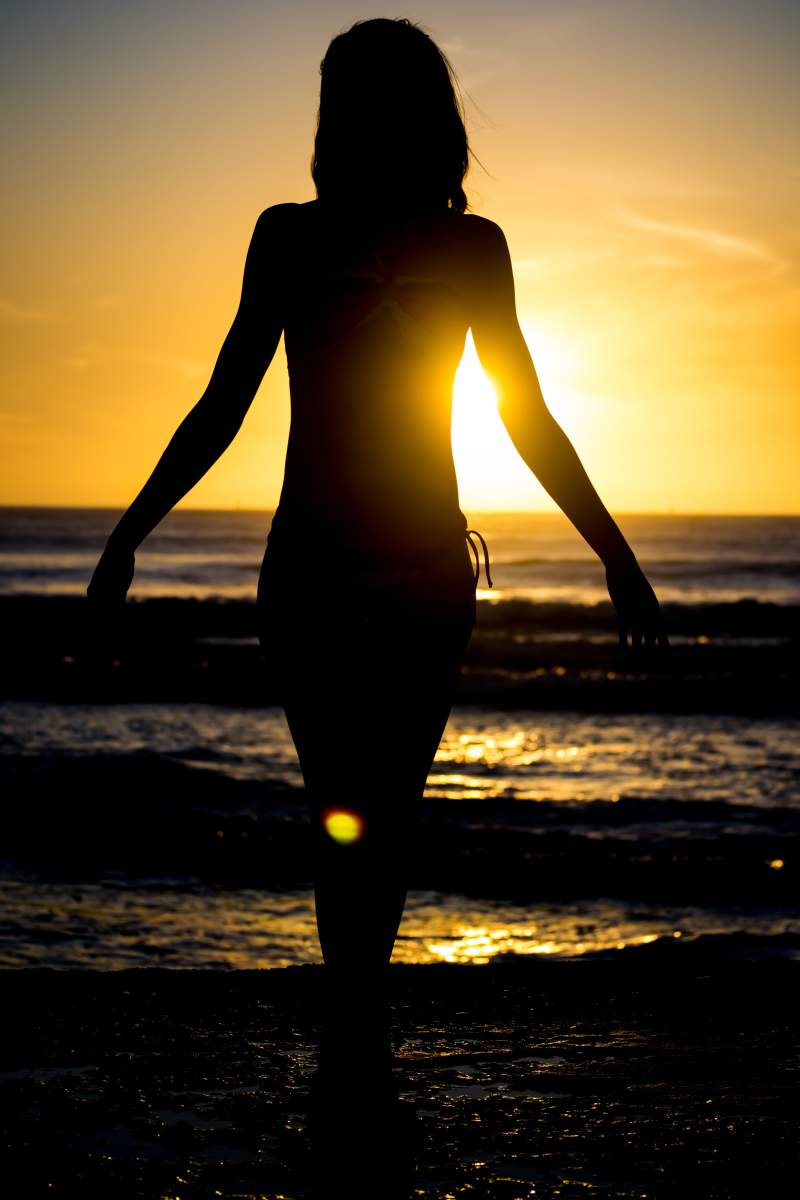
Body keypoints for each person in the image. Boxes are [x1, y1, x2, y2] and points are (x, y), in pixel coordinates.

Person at [87, 15, 667, 1129]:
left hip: (382, 571)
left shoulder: (458, 248)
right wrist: (130, 528)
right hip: (335, 570)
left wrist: (613, 550)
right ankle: (358, 1030)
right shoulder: (300, 238)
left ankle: (355, 1029)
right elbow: (226, 398)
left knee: (357, 811)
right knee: (363, 812)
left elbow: (522, 412)